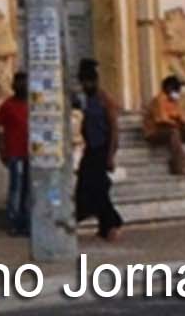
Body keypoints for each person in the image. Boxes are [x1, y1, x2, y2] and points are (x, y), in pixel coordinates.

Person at [73, 58, 124, 241]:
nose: (85, 85)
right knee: (90, 187)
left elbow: (113, 129)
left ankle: (113, 223)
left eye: (88, 82)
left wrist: (111, 155)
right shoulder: (85, 100)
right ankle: (107, 225)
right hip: (91, 148)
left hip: (102, 148)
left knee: (97, 189)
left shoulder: (104, 100)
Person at [142, 75, 185, 176]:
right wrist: (176, 123)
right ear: (169, 88)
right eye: (177, 89)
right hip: (155, 132)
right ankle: (179, 166)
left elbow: (181, 117)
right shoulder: (159, 100)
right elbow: (161, 119)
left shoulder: (174, 101)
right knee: (174, 133)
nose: (179, 92)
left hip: (172, 129)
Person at [0, 72, 31, 236]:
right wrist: (2, 150)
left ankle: (26, 222)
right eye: (20, 83)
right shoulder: (8, 105)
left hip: (30, 153)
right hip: (14, 153)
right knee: (16, 188)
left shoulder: (33, 104)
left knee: (27, 189)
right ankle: (14, 223)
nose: (23, 86)